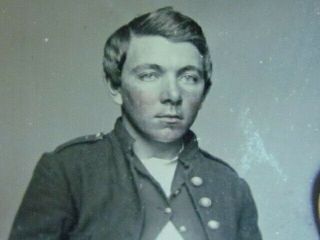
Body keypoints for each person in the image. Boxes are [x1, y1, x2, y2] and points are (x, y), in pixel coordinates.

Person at [9, 7, 262, 240]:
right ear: (115, 86)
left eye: (189, 77)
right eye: (149, 75)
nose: (172, 95)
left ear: (204, 92)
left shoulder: (230, 187)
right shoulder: (68, 172)